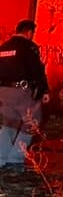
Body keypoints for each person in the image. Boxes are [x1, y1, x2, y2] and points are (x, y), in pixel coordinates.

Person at [0, 20, 50, 167]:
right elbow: (37, 70)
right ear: (29, 32)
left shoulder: (4, 47)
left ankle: (1, 157)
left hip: (3, 92)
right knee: (31, 123)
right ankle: (15, 159)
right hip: (21, 92)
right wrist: (43, 90)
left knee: (9, 124)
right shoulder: (29, 47)